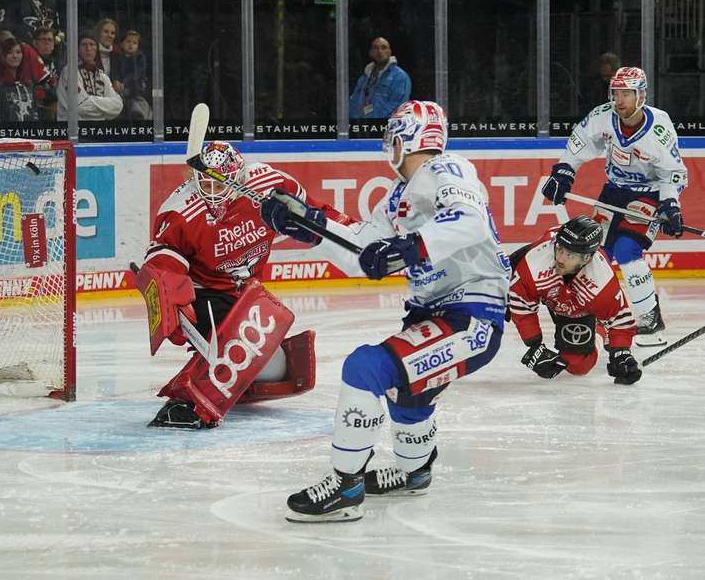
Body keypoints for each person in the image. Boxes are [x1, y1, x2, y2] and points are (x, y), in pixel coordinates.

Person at [260, 100, 511, 522]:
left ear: (407, 138)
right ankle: (415, 473)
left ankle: (346, 485)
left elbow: (470, 222)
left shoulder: (446, 169)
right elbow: (362, 251)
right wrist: (308, 227)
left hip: (472, 316)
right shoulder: (398, 197)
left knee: (367, 368)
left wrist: (410, 247)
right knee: (408, 390)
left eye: (392, 137)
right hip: (435, 314)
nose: (386, 146)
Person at [135, 140, 337, 429]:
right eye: (206, 185)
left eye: (220, 185)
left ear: (239, 178)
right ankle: (187, 401)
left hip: (246, 296)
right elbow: (163, 263)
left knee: (275, 368)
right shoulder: (180, 211)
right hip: (203, 293)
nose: (213, 194)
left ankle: (228, 376)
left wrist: (353, 232)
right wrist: (174, 303)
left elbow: (317, 215)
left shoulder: (272, 186)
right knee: (241, 351)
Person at [541, 67, 688, 347]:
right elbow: (579, 143)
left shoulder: (658, 127)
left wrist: (670, 204)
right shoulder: (602, 116)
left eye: (627, 94)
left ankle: (650, 319)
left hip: (649, 193)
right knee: (595, 253)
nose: (619, 100)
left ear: (641, 95)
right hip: (614, 192)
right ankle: (596, 313)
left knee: (626, 249)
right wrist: (564, 172)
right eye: (616, 93)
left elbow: (673, 174)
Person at [508, 216, 641, 384]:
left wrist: (621, 353)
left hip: (577, 306)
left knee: (578, 366)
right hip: (548, 290)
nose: (561, 259)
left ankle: (599, 328)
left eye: (570, 255)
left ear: (587, 258)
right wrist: (534, 345)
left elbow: (620, 320)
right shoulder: (534, 263)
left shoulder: (601, 282)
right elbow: (521, 302)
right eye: (560, 249)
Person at [56, 28, 121, 121]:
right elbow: (79, 106)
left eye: (92, 44)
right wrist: (106, 108)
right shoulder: (69, 72)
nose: (88, 49)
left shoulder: (103, 76)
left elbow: (118, 106)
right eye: (84, 45)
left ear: (96, 48)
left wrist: (89, 100)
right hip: (73, 131)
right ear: (78, 49)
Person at [348, 36, 411, 119]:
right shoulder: (364, 78)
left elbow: (397, 107)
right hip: (363, 128)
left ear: (390, 52)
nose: (380, 51)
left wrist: (374, 124)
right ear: (370, 52)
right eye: (375, 48)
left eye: (384, 48)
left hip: (384, 128)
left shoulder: (399, 77)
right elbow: (353, 104)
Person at [112, 30, 150, 121]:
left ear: (138, 46)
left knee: (136, 100)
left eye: (134, 43)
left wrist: (124, 83)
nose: (131, 45)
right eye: (128, 41)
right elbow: (115, 71)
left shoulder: (140, 57)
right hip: (121, 88)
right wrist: (116, 81)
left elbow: (137, 73)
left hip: (135, 86)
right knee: (123, 99)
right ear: (121, 44)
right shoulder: (119, 58)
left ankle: (138, 113)